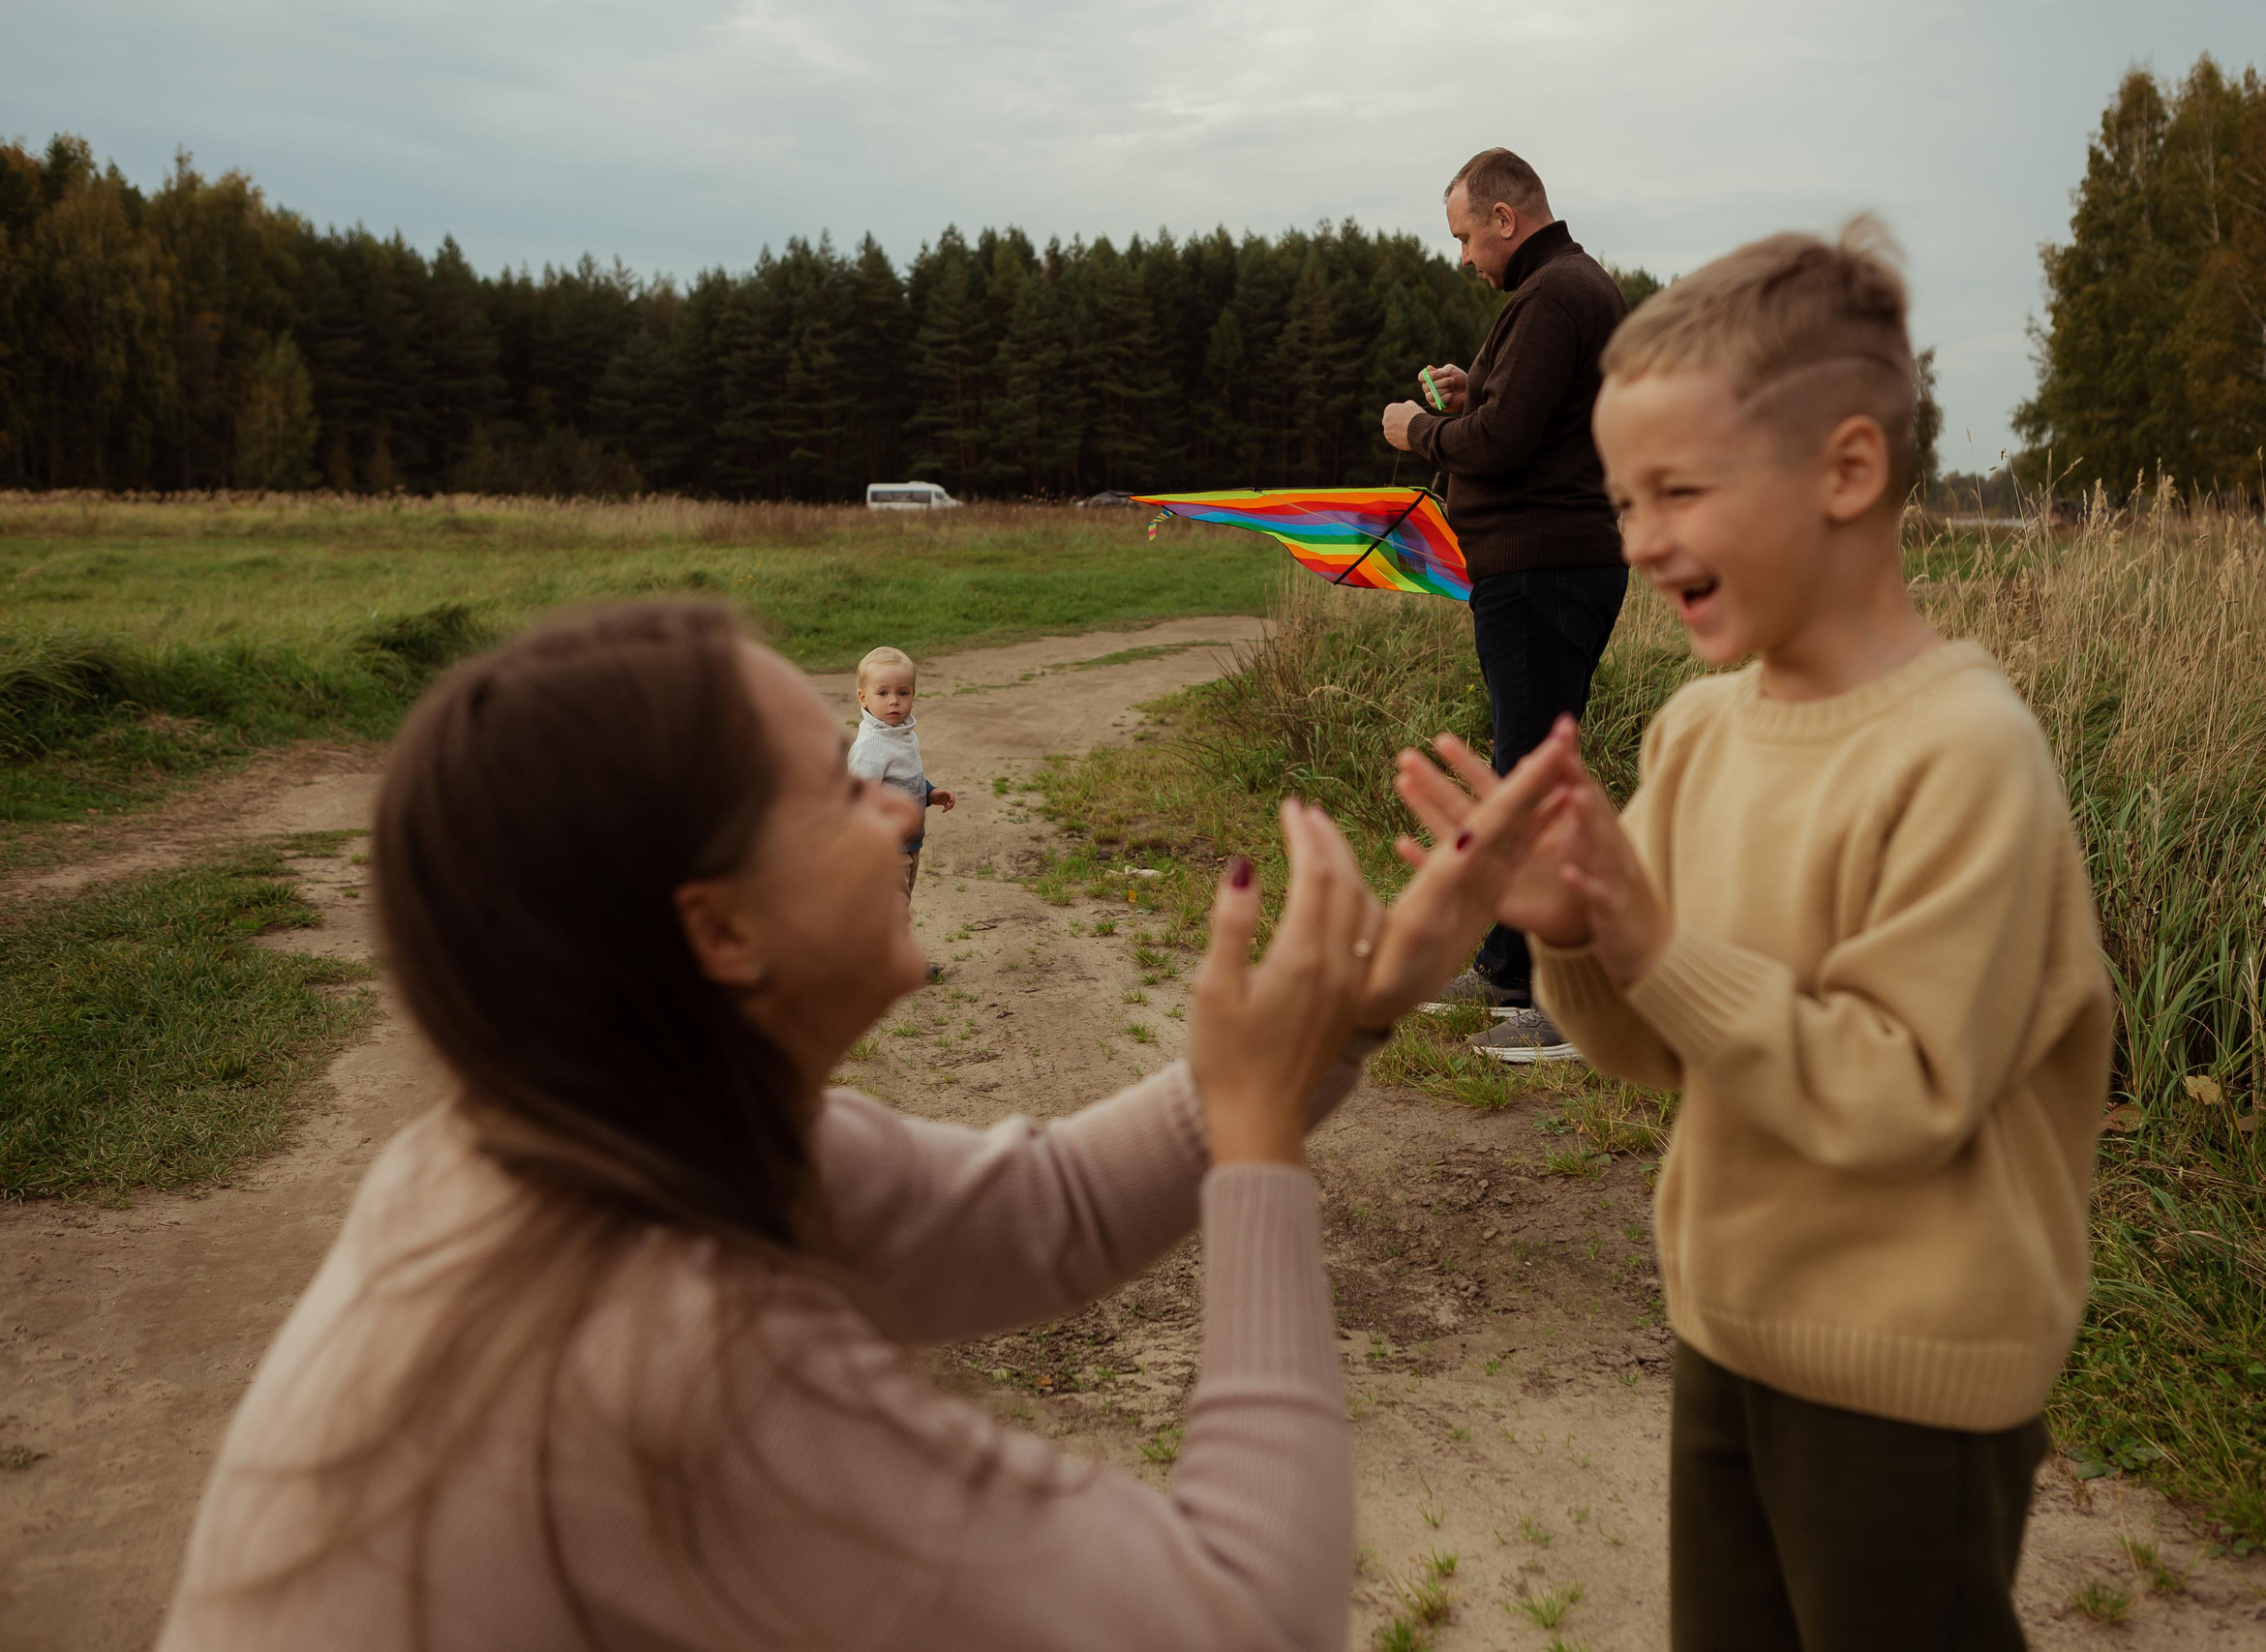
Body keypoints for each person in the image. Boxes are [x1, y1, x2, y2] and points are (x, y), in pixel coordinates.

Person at [152, 600, 1565, 1652]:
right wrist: (1258, 1150)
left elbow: (1053, 1207)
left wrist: (1345, 1014)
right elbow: (1241, 1618)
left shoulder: (558, 1131)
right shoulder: (678, 1365)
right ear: (717, 928)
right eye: (838, 792)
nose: (893, 819)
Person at [1383, 223, 2114, 1650]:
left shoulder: (1964, 753)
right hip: (1726, 1325)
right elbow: (1662, 1040)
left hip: (1912, 1369)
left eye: (1680, 491)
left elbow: (1901, 1091)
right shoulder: (1703, 725)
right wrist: (1581, 939)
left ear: (1846, 471)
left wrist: (1653, 940)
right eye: (1620, 495)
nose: (1639, 537)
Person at [1381, 146, 1632, 1065]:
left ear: (1503, 217)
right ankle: (1506, 970)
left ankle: (1568, 1004)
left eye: (1464, 238)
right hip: (1543, 566)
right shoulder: (1560, 293)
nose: (1462, 260)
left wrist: (1423, 432)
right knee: (1520, 768)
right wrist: (1471, 389)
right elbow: (1526, 416)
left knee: (1530, 782)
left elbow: (1504, 440)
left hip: (1544, 569)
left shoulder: (1556, 294)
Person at [846, 644, 954, 900]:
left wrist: (929, 792)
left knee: (899, 908)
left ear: (913, 695)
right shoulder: (872, 746)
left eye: (903, 692)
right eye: (882, 693)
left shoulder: (901, 733)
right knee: (888, 916)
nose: (894, 700)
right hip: (885, 850)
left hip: (909, 844)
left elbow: (903, 777)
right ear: (863, 697)